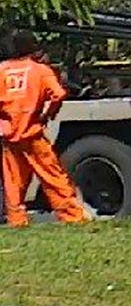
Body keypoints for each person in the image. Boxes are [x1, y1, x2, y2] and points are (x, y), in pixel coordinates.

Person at [0, 31, 90, 228]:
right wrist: (47, 114)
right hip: (32, 134)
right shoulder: (40, 70)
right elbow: (58, 94)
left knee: (13, 182)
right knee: (52, 176)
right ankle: (71, 216)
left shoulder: (2, 70)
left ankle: (17, 220)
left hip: (9, 136)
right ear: (34, 48)